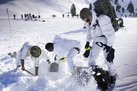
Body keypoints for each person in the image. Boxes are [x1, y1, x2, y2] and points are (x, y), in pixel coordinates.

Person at [79, 8, 117, 84]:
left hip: (106, 41)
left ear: (88, 16)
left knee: (108, 61)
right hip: (96, 41)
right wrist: (87, 43)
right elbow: (89, 33)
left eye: (84, 19)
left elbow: (110, 34)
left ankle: (113, 76)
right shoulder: (88, 22)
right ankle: (94, 74)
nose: (84, 21)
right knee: (91, 60)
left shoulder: (102, 19)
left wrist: (109, 48)